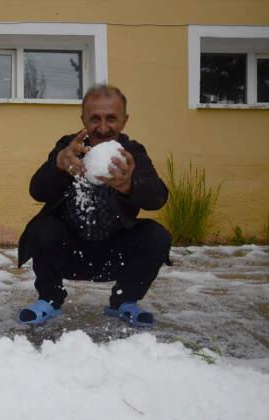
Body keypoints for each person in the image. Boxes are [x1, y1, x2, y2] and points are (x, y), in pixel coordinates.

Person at [17, 84, 171, 327]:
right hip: (69, 252)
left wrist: (129, 185)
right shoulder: (69, 147)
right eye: (94, 119)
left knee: (156, 235)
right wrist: (59, 165)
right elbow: (37, 190)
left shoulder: (132, 152)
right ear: (83, 119)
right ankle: (49, 299)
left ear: (124, 120)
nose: (102, 127)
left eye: (111, 118)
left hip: (114, 253)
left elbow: (158, 197)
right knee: (43, 226)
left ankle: (124, 302)